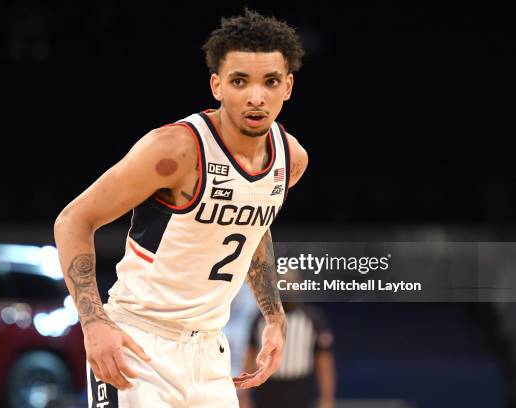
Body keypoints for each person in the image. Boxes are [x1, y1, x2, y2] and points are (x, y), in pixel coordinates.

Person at [54, 8, 308, 407]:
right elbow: (73, 220)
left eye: (270, 82)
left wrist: (274, 317)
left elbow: (252, 231)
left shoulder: (290, 159)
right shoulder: (176, 149)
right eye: (240, 81)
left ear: (288, 87)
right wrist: (93, 322)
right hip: (138, 343)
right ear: (217, 85)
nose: (256, 97)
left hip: (210, 349)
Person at [239, 303, 336, 408]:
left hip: (299, 388)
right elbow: (250, 356)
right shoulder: (261, 317)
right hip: (268, 387)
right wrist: (244, 397)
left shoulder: (312, 318)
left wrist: (326, 400)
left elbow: (324, 362)